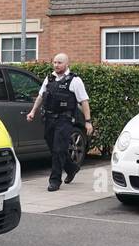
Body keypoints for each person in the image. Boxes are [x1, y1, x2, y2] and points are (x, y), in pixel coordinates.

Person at [27, 53, 92, 191]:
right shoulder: (49, 78)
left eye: (59, 63)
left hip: (65, 119)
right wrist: (33, 111)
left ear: (67, 64)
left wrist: (88, 121)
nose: (56, 65)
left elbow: (84, 101)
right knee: (55, 147)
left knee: (58, 149)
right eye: (55, 62)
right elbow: (40, 96)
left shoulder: (75, 80)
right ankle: (71, 168)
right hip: (49, 118)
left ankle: (55, 181)